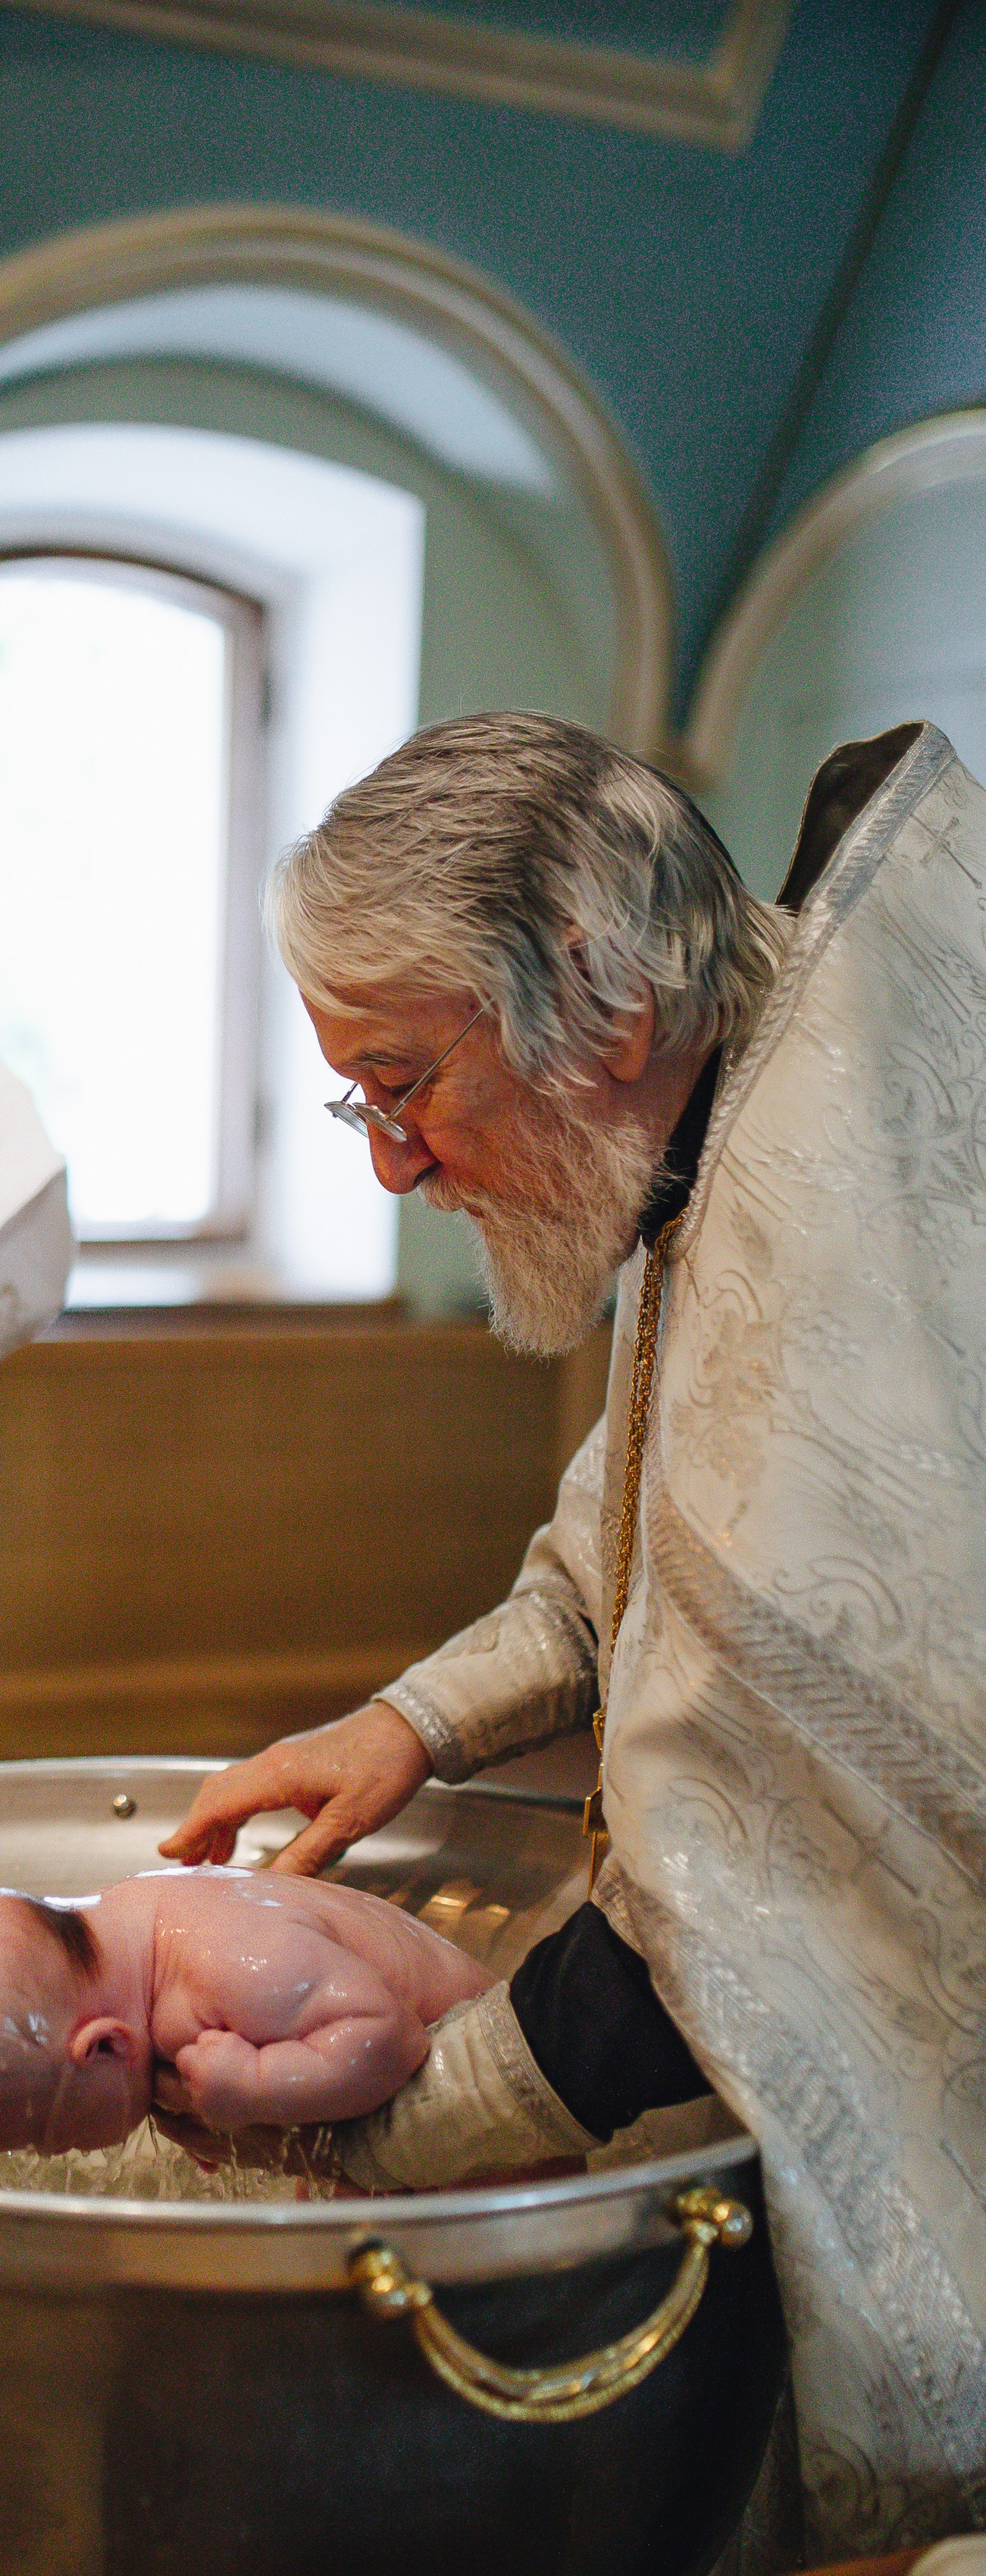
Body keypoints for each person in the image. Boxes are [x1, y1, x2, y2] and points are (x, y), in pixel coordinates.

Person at [160, 712, 985, 2563]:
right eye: (349, 1104)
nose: (390, 1168)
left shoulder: (817, 1330)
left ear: (603, 1004)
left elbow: (697, 1957)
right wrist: (417, 1720)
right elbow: (640, 1496)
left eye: (401, 1088)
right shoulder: (779, 1052)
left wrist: (350, 2151)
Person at [0, 1868, 492, 2151]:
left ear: (104, 2046)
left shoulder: (232, 1965)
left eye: (54, 2139)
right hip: (435, 2127)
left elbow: (391, 2039)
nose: (58, 2156)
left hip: (503, 2131)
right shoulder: (138, 1927)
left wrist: (254, 2087)